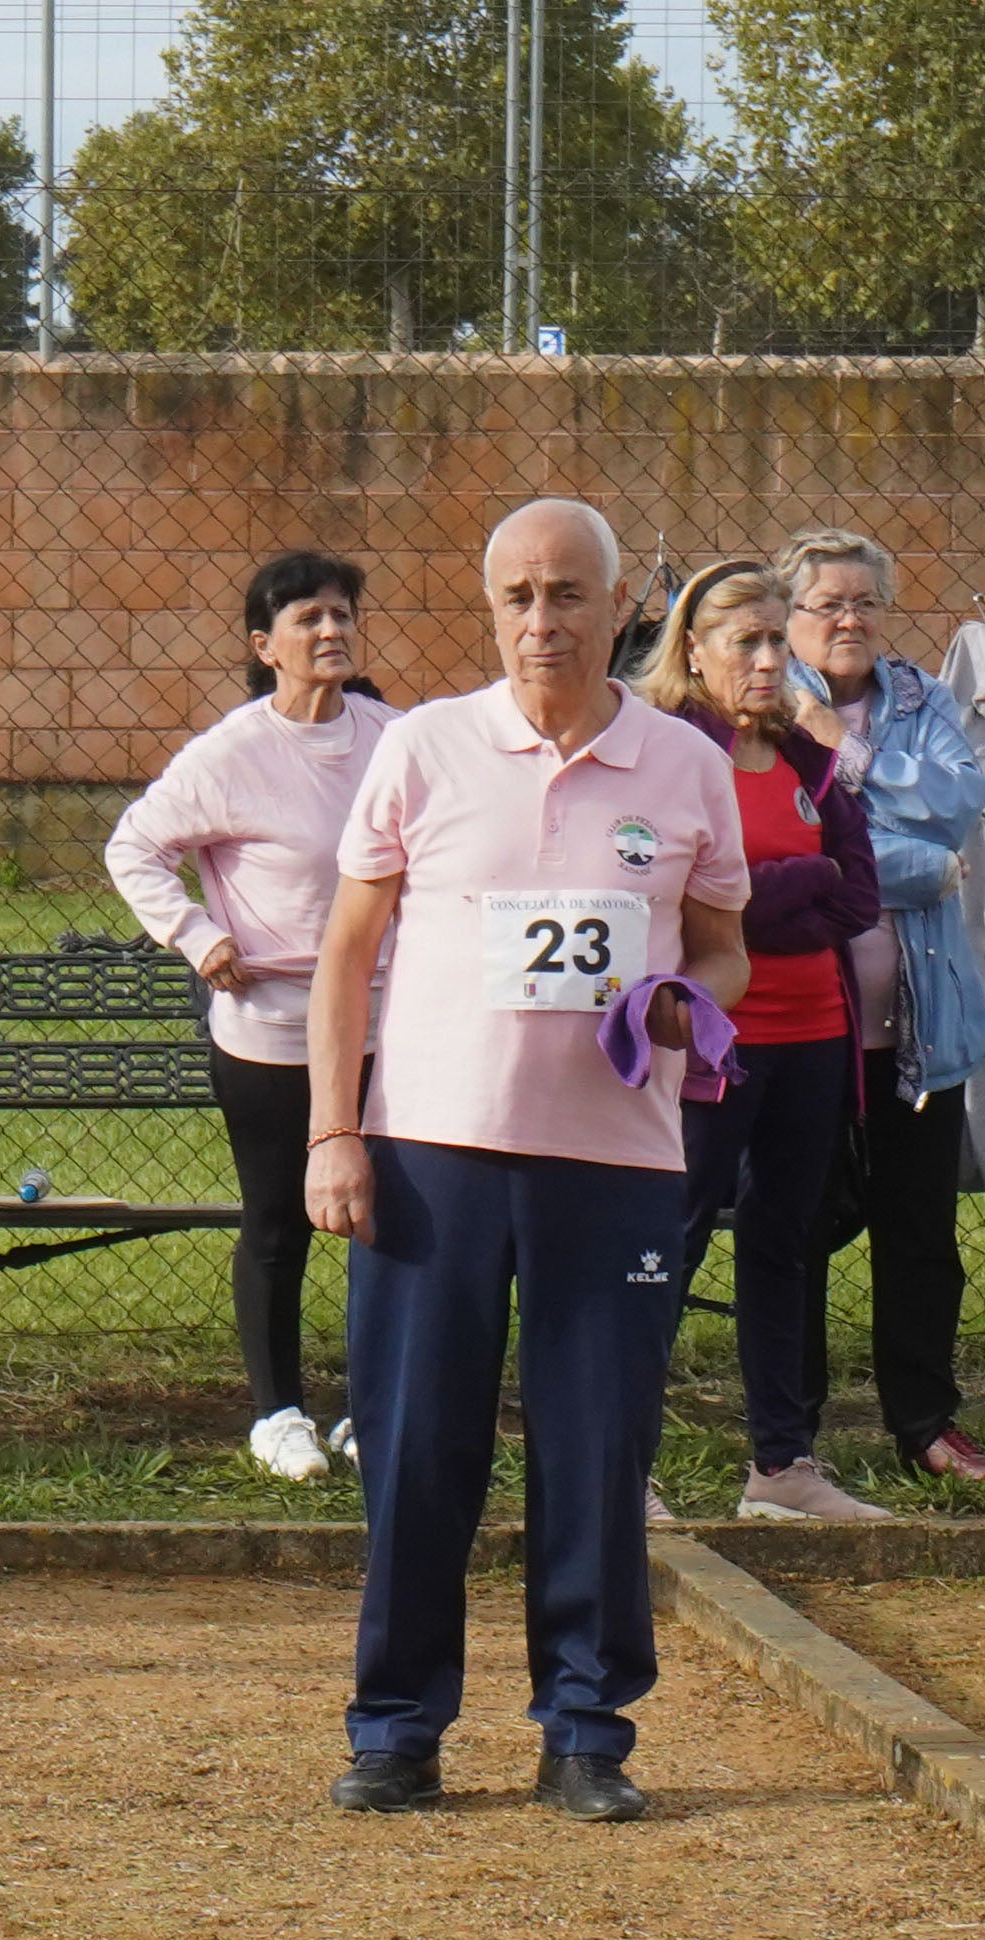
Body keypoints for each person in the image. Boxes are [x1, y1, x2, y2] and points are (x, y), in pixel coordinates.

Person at [307, 499, 759, 1822]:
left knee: (596, 1446)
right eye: (517, 596)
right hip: (431, 1156)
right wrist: (337, 1130)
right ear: (487, 607)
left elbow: (724, 941)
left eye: (568, 595)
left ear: (618, 608)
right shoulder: (427, 751)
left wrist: (687, 996)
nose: (541, 621)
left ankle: (585, 1730)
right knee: (412, 1448)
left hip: (612, 1162)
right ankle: (398, 1727)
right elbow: (346, 954)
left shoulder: (684, 766)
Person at [104, 549, 396, 1481]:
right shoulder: (232, 754)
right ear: (265, 645)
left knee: (389, 1220)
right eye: (308, 617)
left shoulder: (398, 740)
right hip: (269, 1027)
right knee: (280, 1217)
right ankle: (279, 1414)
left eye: (343, 613)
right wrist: (196, 937)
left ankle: (373, 1408)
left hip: (390, 1025)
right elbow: (135, 847)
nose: (331, 630)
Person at [637, 560, 882, 1525]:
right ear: (693, 652)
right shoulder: (667, 755)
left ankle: (782, 1468)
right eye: (748, 641)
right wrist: (792, 888)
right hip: (709, 1043)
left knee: (786, 1246)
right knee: (673, 1239)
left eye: (781, 639)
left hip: (815, 1035)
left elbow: (856, 897)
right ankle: (627, 1465)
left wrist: (761, 899)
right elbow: (686, 899)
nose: (772, 659)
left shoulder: (809, 763)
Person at [781, 529, 985, 1484]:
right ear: (790, 618)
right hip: (802, 1028)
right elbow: (795, 856)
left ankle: (926, 1423)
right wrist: (914, 863)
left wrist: (847, 752)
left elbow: (964, 803)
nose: (848, 620)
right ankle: (787, 1435)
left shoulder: (919, 700)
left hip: (919, 1035)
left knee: (920, 1237)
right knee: (793, 1230)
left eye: (864, 603)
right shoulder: (757, 708)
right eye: (826, 604)